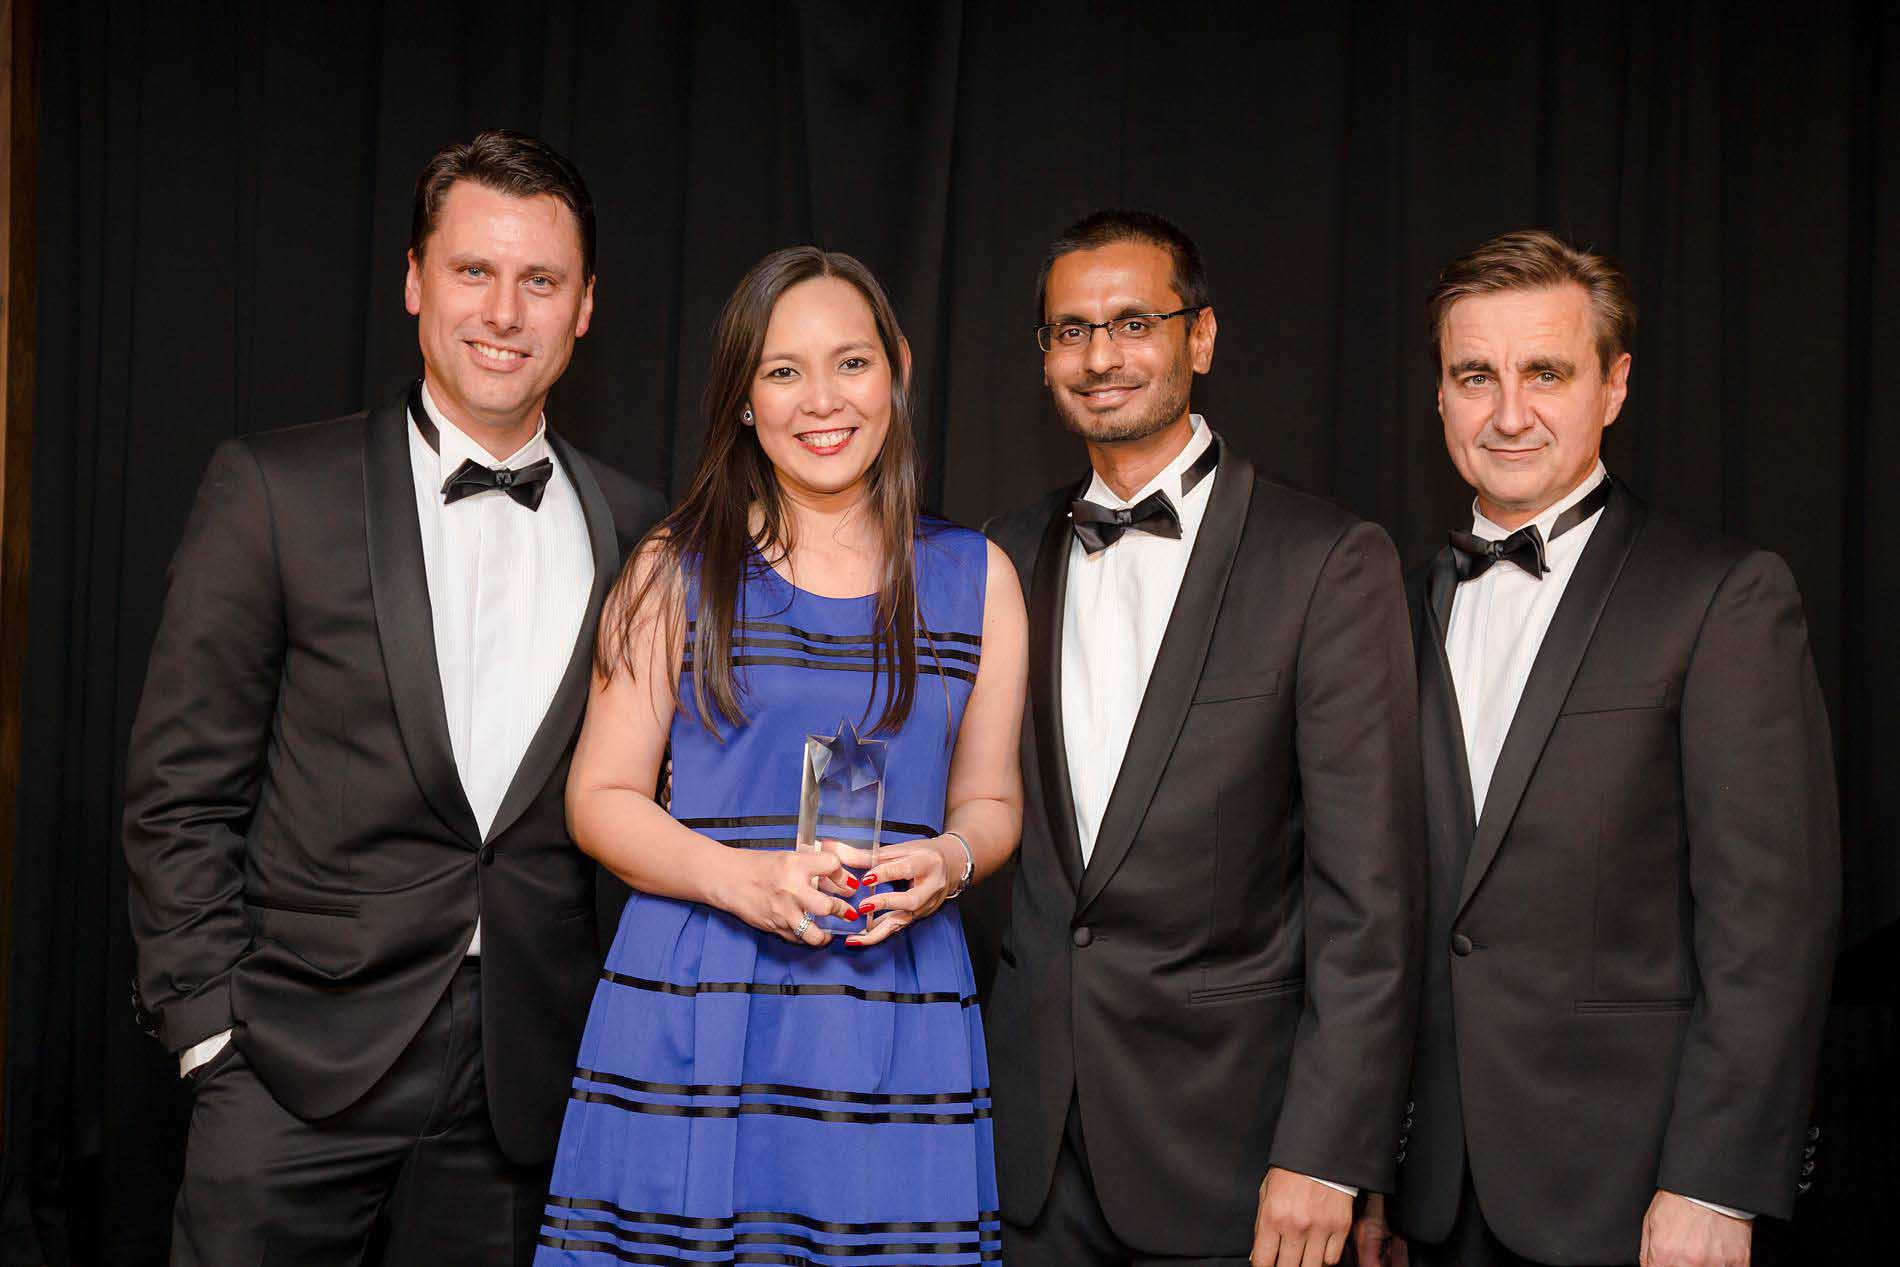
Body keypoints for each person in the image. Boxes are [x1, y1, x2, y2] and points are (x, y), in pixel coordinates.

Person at [122, 130, 666, 1265]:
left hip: (524, 1078)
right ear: (417, 281)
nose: (504, 312)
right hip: (289, 1066)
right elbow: (180, 787)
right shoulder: (275, 489)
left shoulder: (638, 528)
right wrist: (206, 1030)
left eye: (540, 281)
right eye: (473, 271)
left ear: (585, 308)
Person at [1353, 230, 1840, 1267]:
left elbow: (1769, 925)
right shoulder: (1392, 607)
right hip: (1432, 1195)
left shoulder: (1721, 595)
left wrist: (1717, 1175)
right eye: (1474, 376)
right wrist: (1371, 1164)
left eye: (1546, 373)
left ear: (1613, 386)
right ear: (1438, 394)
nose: (1509, 412)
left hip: (1639, 1191)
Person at [532, 246, 1028, 1265]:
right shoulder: (674, 569)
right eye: (782, 370)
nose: (821, 399)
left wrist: (949, 861)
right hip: (698, 999)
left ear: (894, 369)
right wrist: (739, 878)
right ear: (745, 399)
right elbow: (600, 797)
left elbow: (990, 800)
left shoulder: (979, 578)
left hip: (895, 1002)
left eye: (849, 363)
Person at [979, 209, 1422, 1267]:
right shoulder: (997, 556)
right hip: (1026, 1147)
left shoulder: (1326, 560)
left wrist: (1328, 1152)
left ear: (1201, 338)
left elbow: (1369, 898)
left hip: (1239, 1154)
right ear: (1044, 357)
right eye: (1070, 330)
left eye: (1134, 322)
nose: (1100, 356)